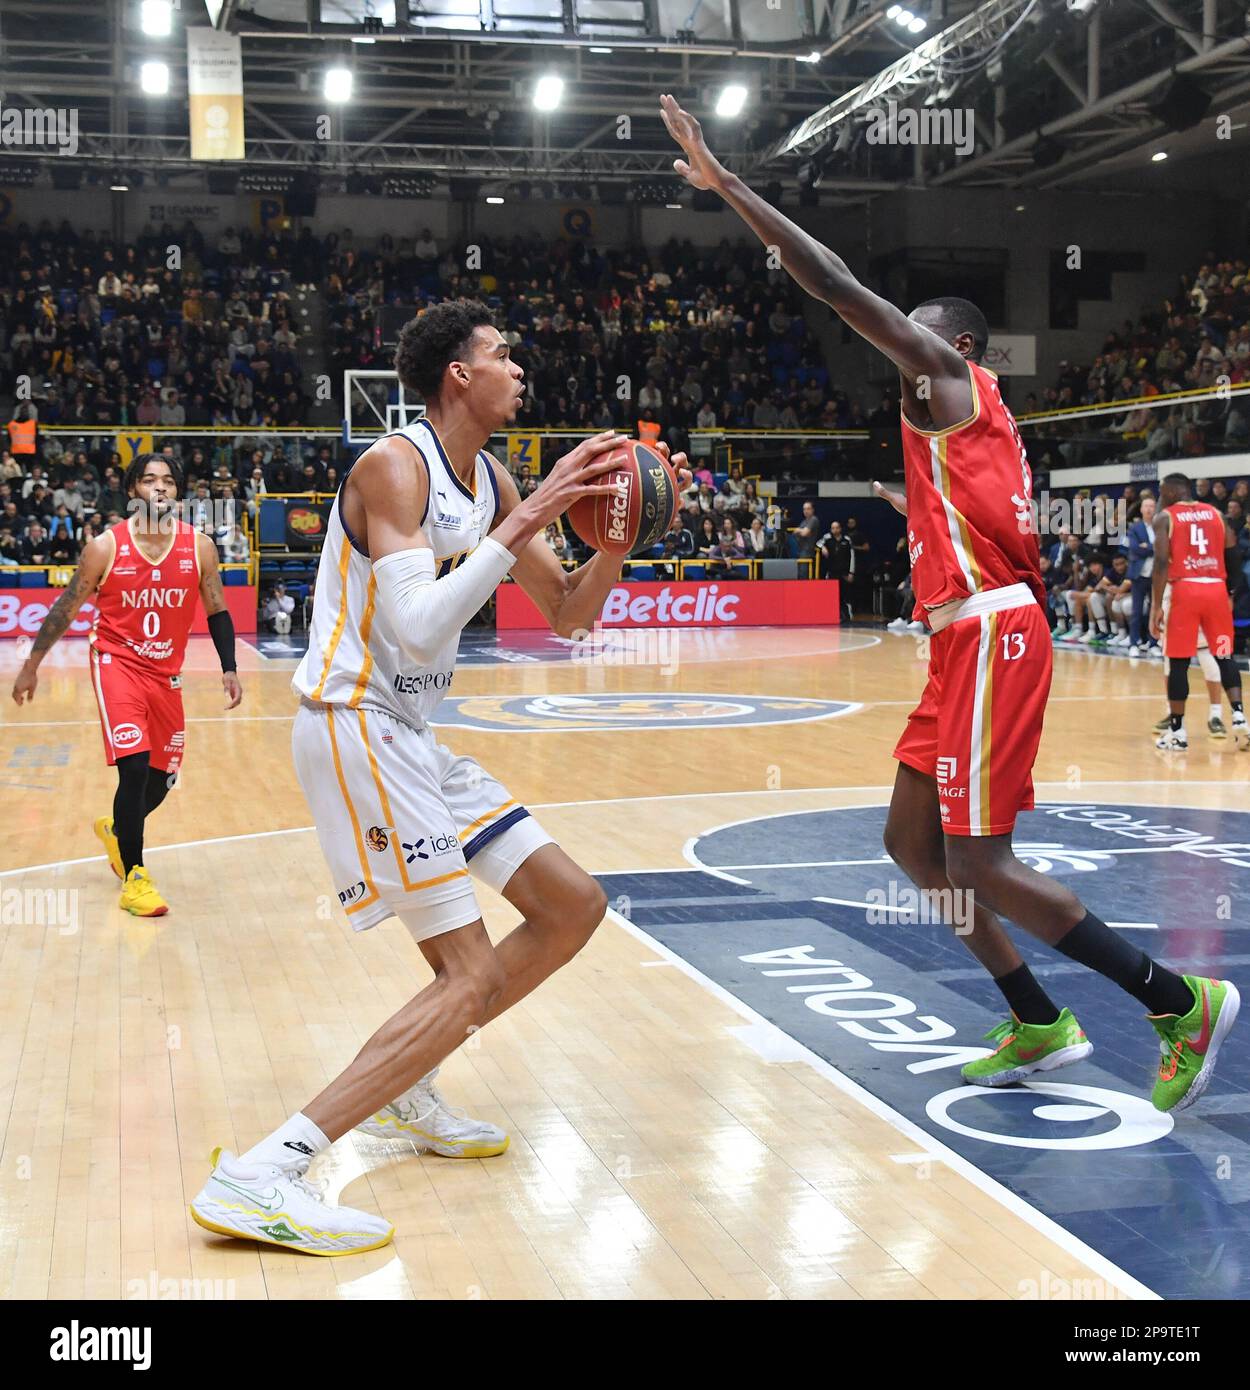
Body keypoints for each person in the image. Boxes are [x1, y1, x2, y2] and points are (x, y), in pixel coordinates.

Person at [660, 91, 1238, 1114]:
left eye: (916, 335)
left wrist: (727, 184)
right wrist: (911, 507)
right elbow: (962, 507)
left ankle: (1174, 999)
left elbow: (834, 284)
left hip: (990, 640)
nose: (900, 347)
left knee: (982, 859)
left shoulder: (948, 379)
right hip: (959, 641)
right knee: (909, 846)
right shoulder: (965, 429)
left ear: (956, 349)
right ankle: (1033, 1017)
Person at [187, 299, 689, 1256]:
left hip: (412, 731)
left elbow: (570, 612)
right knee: (464, 978)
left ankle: (409, 1083)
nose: (518, 369)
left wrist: (614, 538)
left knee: (572, 905)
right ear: (459, 374)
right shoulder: (394, 466)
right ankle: (264, 1173)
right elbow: (417, 625)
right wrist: (538, 510)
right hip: (354, 720)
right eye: (503, 355)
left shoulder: (490, 476)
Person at [11, 453, 243, 917]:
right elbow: (66, 607)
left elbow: (216, 608)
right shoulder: (104, 546)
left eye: (168, 482)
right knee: (134, 769)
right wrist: (32, 663)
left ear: (178, 492)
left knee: (163, 779)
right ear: (134, 489)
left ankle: (117, 832)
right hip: (116, 664)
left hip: (166, 674)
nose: (159, 488)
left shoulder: (199, 547)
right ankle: (135, 876)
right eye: (149, 480)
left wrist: (229, 666)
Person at [1150, 471, 1249, 751]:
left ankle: (1178, 732)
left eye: (1161, 491)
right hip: (1216, 589)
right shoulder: (1216, 514)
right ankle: (1240, 719)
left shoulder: (1166, 517)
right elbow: (1233, 553)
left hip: (1186, 590)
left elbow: (1160, 563)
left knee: (1179, 661)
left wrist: (1156, 606)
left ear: (1170, 492)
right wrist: (1229, 592)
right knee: (1224, 654)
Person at [1126, 496, 1157, 656]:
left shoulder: (1160, 527)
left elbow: (1165, 547)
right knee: (1136, 611)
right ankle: (1133, 643)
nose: (1149, 509)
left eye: (1152, 506)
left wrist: (1148, 546)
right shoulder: (1134, 528)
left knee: (1155, 611)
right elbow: (1135, 549)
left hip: (1156, 576)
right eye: (1146, 506)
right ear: (1141, 509)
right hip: (1139, 575)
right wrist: (1153, 548)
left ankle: (1153, 643)